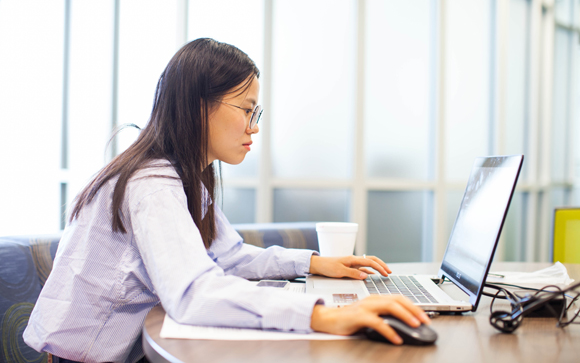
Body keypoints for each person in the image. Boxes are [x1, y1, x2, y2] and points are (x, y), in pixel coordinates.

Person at [24, 38, 430, 363]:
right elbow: (192, 294)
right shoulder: (152, 183)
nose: (254, 128)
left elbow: (229, 257)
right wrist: (323, 315)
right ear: (199, 106)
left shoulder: (184, 177)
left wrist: (313, 263)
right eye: (246, 110)